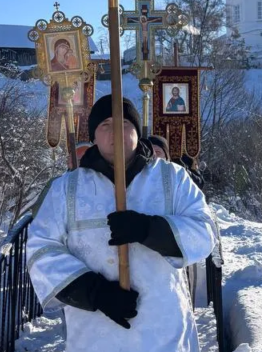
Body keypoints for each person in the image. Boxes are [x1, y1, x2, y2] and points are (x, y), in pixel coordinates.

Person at [27, 95, 215, 351]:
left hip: (164, 332)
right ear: (93, 136)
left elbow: (204, 230)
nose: (116, 131)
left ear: (137, 132)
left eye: (124, 123)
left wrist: (150, 230)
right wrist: (95, 293)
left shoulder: (172, 178)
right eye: (105, 124)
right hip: (94, 335)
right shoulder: (67, 189)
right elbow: (40, 250)